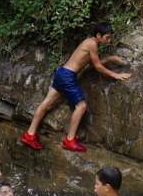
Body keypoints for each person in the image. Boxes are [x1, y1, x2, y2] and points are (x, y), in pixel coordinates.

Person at [20, 21, 132, 153]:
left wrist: (110, 59)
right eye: (107, 37)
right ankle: (70, 140)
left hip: (61, 73)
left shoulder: (89, 42)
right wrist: (116, 75)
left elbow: (92, 63)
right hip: (68, 76)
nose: (109, 40)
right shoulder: (92, 44)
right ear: (98, 35)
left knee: (47, 104)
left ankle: (30, 135)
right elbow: (97, 67)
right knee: (81, 106)